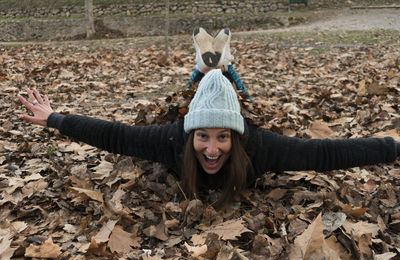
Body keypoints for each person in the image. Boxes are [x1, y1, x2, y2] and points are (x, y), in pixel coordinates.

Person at [18, 28, 400, 209]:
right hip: (192, 112)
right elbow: (114, 135)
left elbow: (324, 155)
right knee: (194, 99)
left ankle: (218, 66)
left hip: (239, 113)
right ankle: (205, 68)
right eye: (203, 137)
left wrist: (392, 148)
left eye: (223, 138)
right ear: (190, 136)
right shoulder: (171, 140)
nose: (213, 149)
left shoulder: (261, 147)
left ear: (237, 139)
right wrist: (55, 118)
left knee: (242, 99)